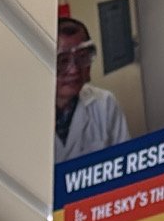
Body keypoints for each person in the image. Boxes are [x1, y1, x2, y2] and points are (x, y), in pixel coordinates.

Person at [54, 15, 130, 162]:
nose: (74, 70)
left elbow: (125, 164)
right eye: (63, 61)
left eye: (82, 57)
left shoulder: (104, 103)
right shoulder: (25, 116)